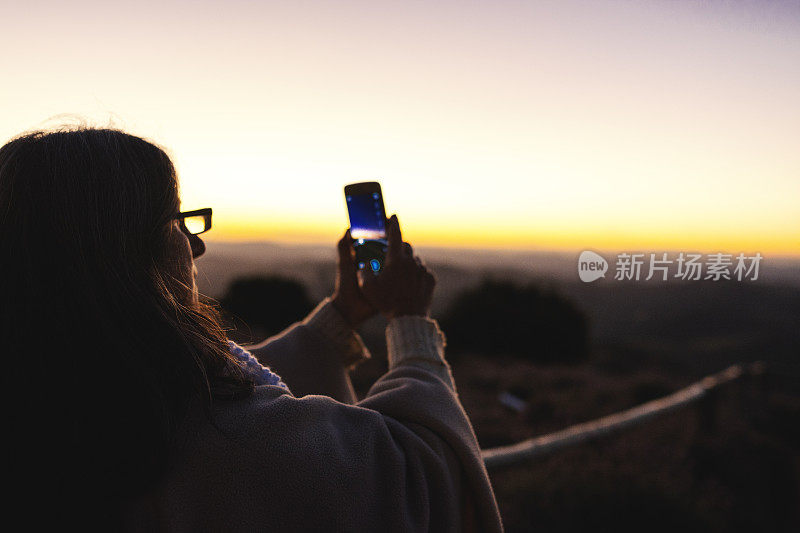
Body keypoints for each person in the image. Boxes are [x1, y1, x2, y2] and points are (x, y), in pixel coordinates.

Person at [0, 127, 503, 532]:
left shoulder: (58, 392)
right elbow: (425, 479)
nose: (195, 248)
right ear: (125, 254)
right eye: (177, 222)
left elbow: (229, 389)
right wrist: (409, 321)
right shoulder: (213, 440)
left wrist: (342, 316)